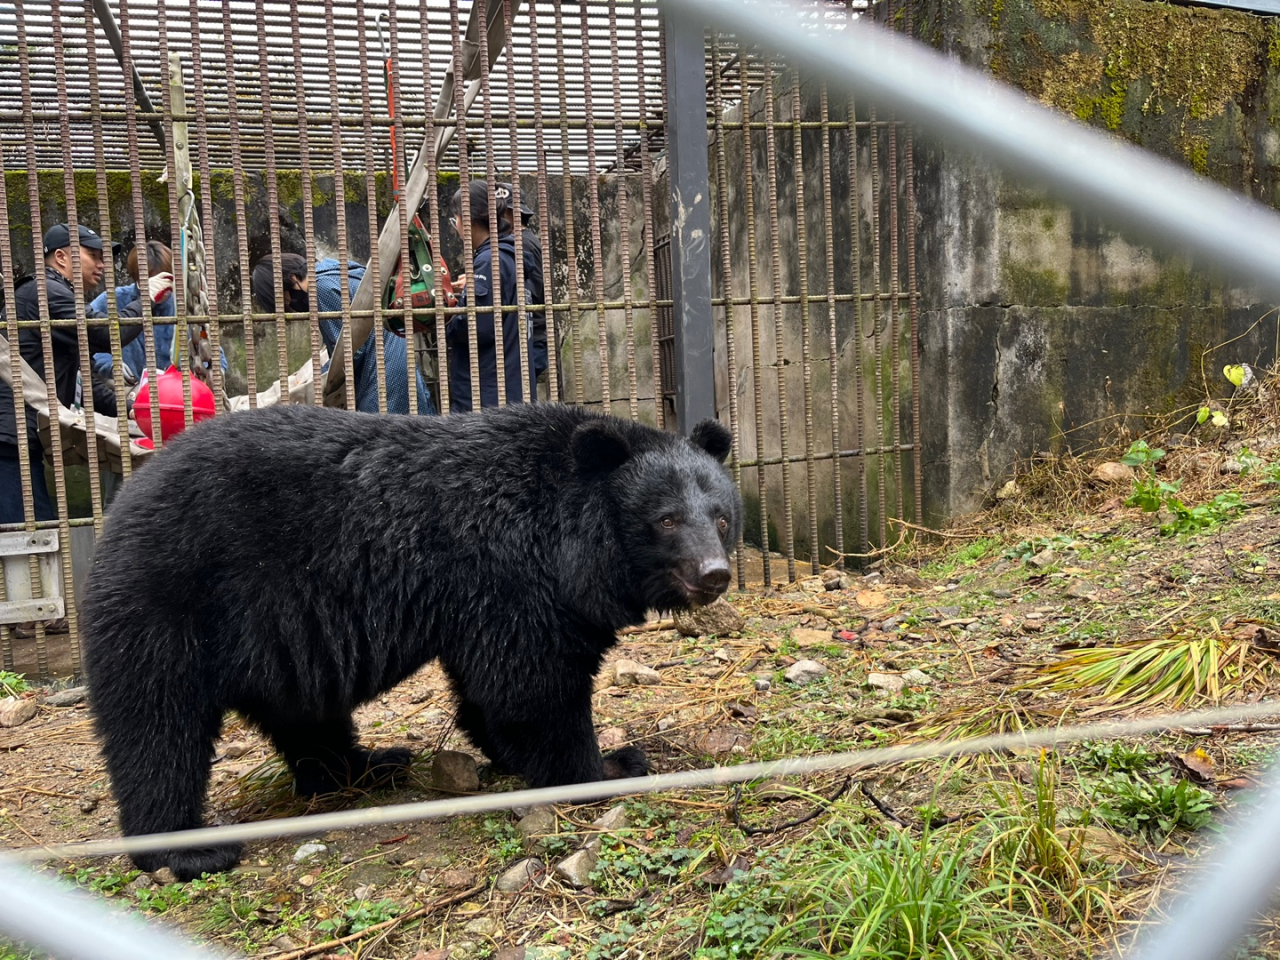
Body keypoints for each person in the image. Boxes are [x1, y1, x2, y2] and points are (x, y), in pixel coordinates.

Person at [0, 223, 148, 525]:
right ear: (61, 257)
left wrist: (131, 410)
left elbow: (85, 381)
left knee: (35, 535)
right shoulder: (46, 291)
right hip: (8, 438)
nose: (102, 265)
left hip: (17, 438)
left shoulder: (51, 292)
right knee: (32, 539)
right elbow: (107, 335)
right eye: (93, 255)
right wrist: (146, 300)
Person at [242, 251, 436, 416]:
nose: (290, 304)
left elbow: (349, 351)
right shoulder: (338, 272)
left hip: (381, 376)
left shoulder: (320, 289)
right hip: (397, 362)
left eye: (286, 299)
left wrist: (317, 377)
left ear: (292, 278)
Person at [446, 180, 548, 413]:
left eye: (456, 219)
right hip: (510, 382)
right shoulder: (509, 256)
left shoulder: (489, 260)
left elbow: (479, 325)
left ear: (468, 218)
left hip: (487, 390)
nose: (457, 226)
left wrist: (446, 318)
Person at [89, 240, 177, 387]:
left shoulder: (180, 304)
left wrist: (214, 368)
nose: (161, 287)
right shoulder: (112, 299)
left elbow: (210, 347)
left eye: (165, 280)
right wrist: (110, 365)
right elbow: (88, 341)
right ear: (138, 278)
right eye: (154, 281)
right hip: (126, 389)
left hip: (174, 390)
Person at [497, 182, 552, 399]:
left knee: (519, 401)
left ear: (510, 213)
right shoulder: (519, 242)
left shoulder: (523, 244)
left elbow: (532, 291)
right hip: (527, 336)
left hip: (530, 337)